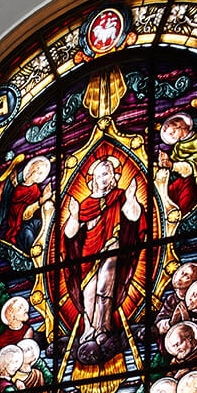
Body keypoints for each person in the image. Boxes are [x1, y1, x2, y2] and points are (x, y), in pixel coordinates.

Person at [61, 155, 146, 366]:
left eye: (107, 173)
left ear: (114, 177)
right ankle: (90, 328)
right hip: (88, 252)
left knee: (104, 288)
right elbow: (71, 235)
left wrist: (132, 198)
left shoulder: (118, 196)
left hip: (112, 244)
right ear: (93, 180)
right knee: (87, 292)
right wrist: (73, 215)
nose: (104, 178)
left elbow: (134, 217)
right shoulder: (86, 205)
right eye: (100, 175)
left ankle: (104, 326)